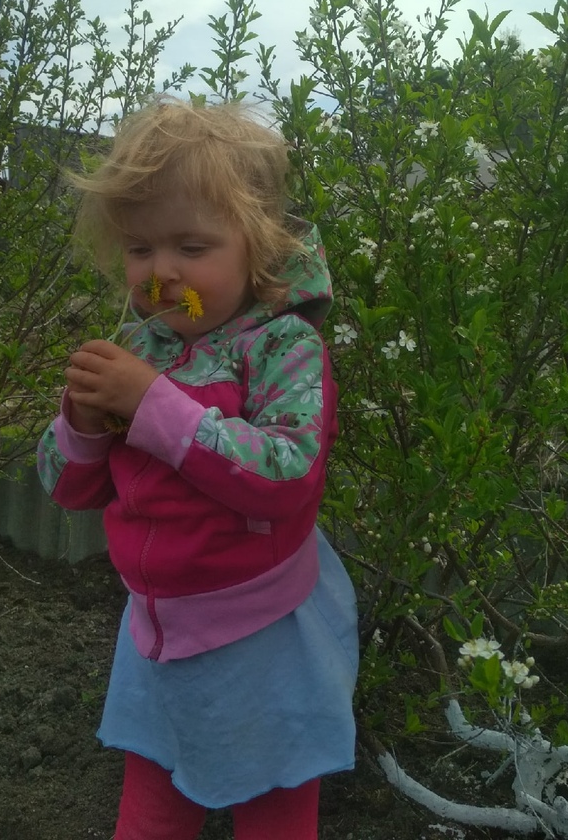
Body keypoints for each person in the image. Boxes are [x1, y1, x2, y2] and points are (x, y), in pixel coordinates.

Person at [37, 99, 359, 840]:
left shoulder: (281, 347)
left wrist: (153, 406)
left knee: (274, 810)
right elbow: (69, 487)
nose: (161, 275)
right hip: (156, 634)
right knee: (153, 806)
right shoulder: (140, 346)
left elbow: (285, 474)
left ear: (258, 246)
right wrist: (82, 423)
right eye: (140, 249)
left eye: (191, 246)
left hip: (263, 636)